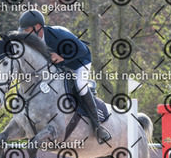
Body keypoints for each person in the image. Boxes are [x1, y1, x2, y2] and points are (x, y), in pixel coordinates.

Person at [18, 10, 111, 144]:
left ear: (38, 27)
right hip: (60, 65)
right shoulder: (33, 41)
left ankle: (98, 127)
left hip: (80, 61)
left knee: (80, 85)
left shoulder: (59, 35)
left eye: (27, 30)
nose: (25, 34)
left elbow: (82, 50)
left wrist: (62, 58)